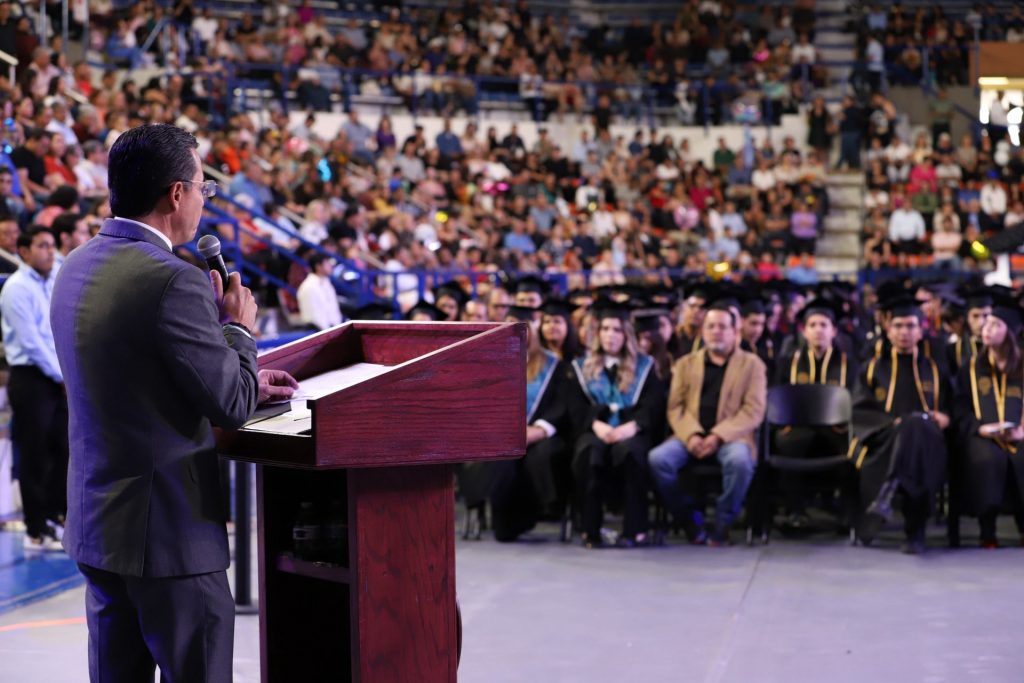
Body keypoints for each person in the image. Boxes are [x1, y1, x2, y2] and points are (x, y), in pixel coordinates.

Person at [50, 124, 298, 683]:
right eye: (203, 188)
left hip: (99, 526)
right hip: (168, 536)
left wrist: (234, 371)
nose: (205, 201)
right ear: (176, 193)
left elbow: (137, 376)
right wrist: (237, 330)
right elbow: (231, 405)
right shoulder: (173, 280)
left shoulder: (76, 264)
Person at [648, 303, 767, 545]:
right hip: (689, 436)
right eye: (710, 327)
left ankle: (723, 522)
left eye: (722, 327)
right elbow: (675, 407)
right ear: (703, 331)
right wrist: (691, 435)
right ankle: (689, 519)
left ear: (735, 332)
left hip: (732, 437)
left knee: (740, 461)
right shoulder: (686, 364)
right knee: (658, 460)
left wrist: (718, 436)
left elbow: (753, 411)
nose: (716, 332)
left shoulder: (752, 365)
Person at [460, 305, 578, 541]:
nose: (516, 331)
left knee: (539, 455)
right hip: (500, 434)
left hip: (538, 434)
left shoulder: (553, 365)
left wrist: (540, 429)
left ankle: (536, 513)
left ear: (533, 330)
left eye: (523, 326)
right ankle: (504, 522)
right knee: (499, 457)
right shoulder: (490, 361)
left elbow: (562, 404)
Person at [851, 296, 950, 554]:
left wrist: (946, 417)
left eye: (910, 326)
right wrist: (893, 424)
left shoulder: (935, 369)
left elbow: (952, 406)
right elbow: (860, 410)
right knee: (910, 429)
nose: (904, 332)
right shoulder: (872, 369)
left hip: (929, 440)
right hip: (885, 439)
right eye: (898, 326)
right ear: (888, 330)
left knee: (915, 427)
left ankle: (888, 491)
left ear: (920, 331)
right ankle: (915, 533)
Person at [571, 300, 664, 548]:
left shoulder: (645, 366)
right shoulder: (582, 366)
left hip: (631, 428)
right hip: (595, 429)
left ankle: (635, 529)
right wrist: (595, 425)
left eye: (616, 330)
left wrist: (632, 427)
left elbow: (653, 404)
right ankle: (589, 529)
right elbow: (576, 406)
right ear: (597, 333)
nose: (610, 335)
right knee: (589, 452)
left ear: (626, 335)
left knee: (631, 453)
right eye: (605, 329)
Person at [0, 227, 66, 550]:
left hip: (57, 376)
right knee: (35, 454)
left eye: (52, 245)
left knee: (62, 449)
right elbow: (32, 343)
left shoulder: (51, 281)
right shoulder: (16, 288)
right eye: (42, 246)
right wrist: (62, 375)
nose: (49, 251)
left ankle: (55, 517)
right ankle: (35, 529)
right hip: (31, 378)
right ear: (24, 252)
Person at [953, 306, 1024, 548]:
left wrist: (1022, 430)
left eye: (995, 324)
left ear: (1010, 333)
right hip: (982, 435)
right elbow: (960, 406)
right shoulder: (971, 367)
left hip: (1019, 435)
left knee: (1021, 457)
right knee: (989, 458)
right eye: (986, 323)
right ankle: (987, 531)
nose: (987, 328)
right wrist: (979, 428)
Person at [296, 252, 343, 331]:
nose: (330, 266)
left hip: (334, 328)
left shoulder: (326, 282)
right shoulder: (308, 287)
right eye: (327, 263)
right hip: (319, 331)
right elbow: (313, 317)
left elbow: (334, 310)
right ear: (318, 266)